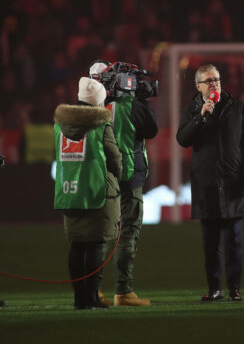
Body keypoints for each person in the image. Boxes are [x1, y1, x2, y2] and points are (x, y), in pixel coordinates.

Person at [176, 64, 244, 302]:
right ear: (198, 86)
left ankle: (234, 289)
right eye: (208, 81)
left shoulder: (238, 107)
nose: (214, 83)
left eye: (216, 79)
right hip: (207, 186)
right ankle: (215, 289)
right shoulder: (193, 110)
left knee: (234, 241)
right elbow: (182, 139)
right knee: (210, 243)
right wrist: (201, 116)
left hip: (234, 183)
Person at [89, 60, 159, 307]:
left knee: (99, 236)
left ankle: (92, 292)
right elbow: (152, 129)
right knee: (128, 232)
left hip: (100, 177)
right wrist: (143, 98)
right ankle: (123, 291)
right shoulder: (132, 105)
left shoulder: (89, 105)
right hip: (130, 175)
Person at [53, 77, 122, 310]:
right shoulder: (101, 125)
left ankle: (78, 299)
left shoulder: (59, 125)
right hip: (96, 191)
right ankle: (91, 298)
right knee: (95, 245)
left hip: (69, 191)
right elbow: (115, 159)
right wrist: (117, 176)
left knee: (76, 245)